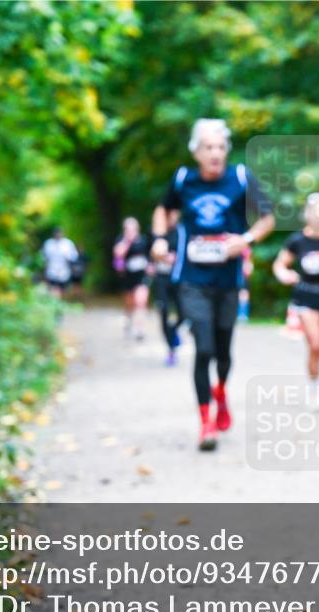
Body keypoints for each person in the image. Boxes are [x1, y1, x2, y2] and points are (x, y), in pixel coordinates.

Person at [151, 118, 275, 451]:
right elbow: (163, 210)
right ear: (196, 152)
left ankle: (220, 390)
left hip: (228, 281)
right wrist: (160, 239)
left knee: (222, 353)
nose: (215, 153)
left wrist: (245, 240)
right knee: (203, 348)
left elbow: (267, 218)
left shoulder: (240, 178)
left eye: (221, 147)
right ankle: (206, 423)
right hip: (191, 279)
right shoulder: (183, 179)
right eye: (208, 147)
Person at [273, 192, 319, 385]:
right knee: (315, 343)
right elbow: (280, 264)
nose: (316, 215)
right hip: (307, 296)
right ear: (305, 214)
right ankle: (314, 386)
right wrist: (284, 274)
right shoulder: (297, 241)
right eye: (312, 210)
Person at [113, 216, 151, 341]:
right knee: (130, 304)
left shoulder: (143, 240)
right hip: (128, 277)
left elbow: (149, 256)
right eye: (128, 229)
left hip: (142, 276)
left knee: (141, 301)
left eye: (133, 229)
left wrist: (150, 266)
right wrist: (128, 241)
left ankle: (140, 329)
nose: (131, 231)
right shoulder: (121, 240)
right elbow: (118, 254)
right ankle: (128, 320)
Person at [153, 223, 184, 366]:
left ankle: (173, 332)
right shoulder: (157, 231)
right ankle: (171, 348)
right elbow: (148, 251)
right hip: (161, 279)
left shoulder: (182, 231)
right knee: (164, 311)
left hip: (179, 280)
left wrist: (177, 258)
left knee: (184, 313)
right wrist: (159, 257)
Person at [41, 227, 79, 299]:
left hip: (64, 271)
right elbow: (44, 257)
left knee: (63, 289)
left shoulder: (68, 244)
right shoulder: (48, 244)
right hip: (51, 270)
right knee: (54, 289)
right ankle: (56, 302)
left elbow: (74, 257)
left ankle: (62, 301)